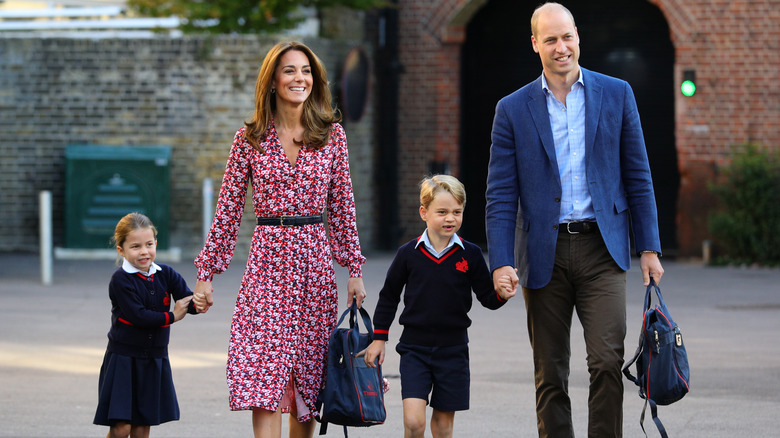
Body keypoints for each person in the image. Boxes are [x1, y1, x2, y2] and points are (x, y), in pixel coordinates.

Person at [485, 3, 665, 437]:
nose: (561, 47)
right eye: (550, 39)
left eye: (567, 37)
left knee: (606, 361)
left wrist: (649, 246)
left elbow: (638, 175)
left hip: (603, 248)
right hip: (542, 252)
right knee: (550, 373)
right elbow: (500, 194)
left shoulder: (617, 93)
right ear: (535, 45)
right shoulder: (512, 109)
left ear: (578, 37)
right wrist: (501, 260)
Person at [191, 41, 367, 438]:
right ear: (272, 80)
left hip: (314, 264)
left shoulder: (332, 136)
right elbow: (228, 212)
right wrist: (207, 273)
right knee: (262, 375)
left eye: (305, 71)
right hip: (267, 262)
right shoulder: (249, 138)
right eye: (289, 71)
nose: (299, 78)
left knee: (307, 381)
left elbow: (343, 208)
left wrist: (353, 269)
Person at [360, 175, 516, 438]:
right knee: (413, 422)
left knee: (443, 428)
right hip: (414, 350)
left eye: (457, 212)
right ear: (424, 212)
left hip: (453, 351)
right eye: (442, 212)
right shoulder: (408, 254)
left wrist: (501, 294)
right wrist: (379, 339)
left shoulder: (471, 254)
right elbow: (389, 297)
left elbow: (487, 298)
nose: (450, 218)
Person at [93, 212, 198, 438]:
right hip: (123, 359)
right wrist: (172, 317)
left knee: (142, 426)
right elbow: (138, 316)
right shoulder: (120, 280)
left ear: (156, 243)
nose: (144, 251)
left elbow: (187, 299)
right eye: (135, 246)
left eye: (149, 244)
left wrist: (199, 301)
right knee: (121, 428)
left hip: (154, 359)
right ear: (121, 250)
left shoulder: (166, 273)